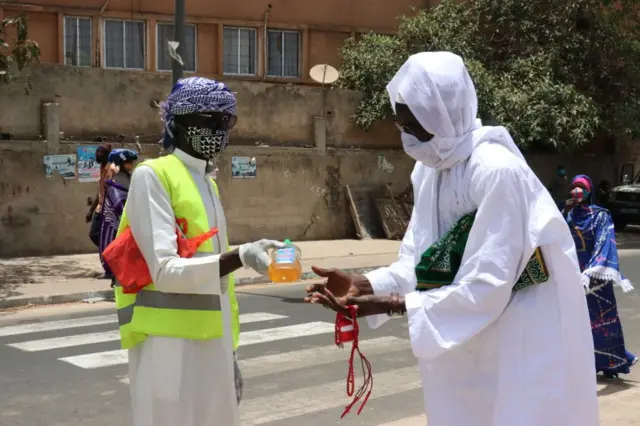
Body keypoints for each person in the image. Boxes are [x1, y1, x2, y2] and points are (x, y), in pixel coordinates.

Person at [305, 52, 598, 426]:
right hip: (460, 327)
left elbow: (488, 284)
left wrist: (393, 304)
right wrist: (365, 284)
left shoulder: (496, 171)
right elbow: (421, 258)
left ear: (443, 113)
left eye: (415, 125)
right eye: (401, 124)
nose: (406, 136)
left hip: (518, 333)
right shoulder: (430, 170)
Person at [113, 77, 285, 426]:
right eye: (210, 120)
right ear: (178, 122)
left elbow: (220, 288)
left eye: (227, 121)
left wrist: (229, 354)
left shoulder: (206, 181)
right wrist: (240, 256)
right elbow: (165, 270)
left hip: (212, 345)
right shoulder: (153, 176)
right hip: (167, 350)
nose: (220, 130)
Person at [565, 174, 637, 379]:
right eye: (574, 187)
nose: (577, 191)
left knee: (602, 323)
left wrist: (591, 271)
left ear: (589, 192)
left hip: (595, 278)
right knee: (577, 322)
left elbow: (604, 243)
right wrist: (564, 213)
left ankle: (612, 364)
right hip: (572, 276)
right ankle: (582, 364)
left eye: (581, 188)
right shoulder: (566, 214)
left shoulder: (600, 216)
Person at [100, 148, 138, 288]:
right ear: (122, 163)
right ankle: (116, 280)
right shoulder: (115, 182)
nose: (131, 165)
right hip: (117, 224)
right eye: (128, 163)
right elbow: (118, 205)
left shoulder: (130, 178)